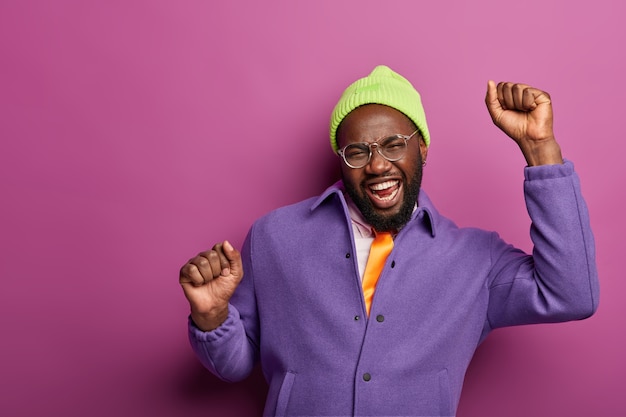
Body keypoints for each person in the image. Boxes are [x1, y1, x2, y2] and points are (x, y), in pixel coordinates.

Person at [179, 65, 599, 417]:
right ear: (342, 161)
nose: (378, 164)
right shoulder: (274, 236)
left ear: (423, 148)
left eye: (394, 145)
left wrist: (540, 148)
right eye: (357, 152)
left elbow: (572, 294)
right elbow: (234, 365)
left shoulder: (477, 260)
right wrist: (212, 317)